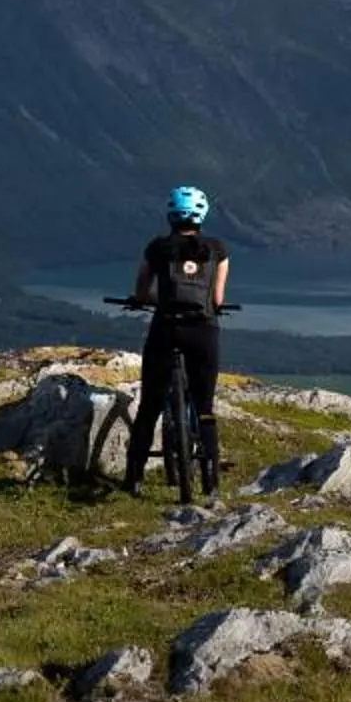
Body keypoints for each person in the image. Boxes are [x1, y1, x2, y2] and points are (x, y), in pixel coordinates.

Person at [122, 184, 230, 494]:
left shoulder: (156, 248)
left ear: (170, 214)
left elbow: (142, 292)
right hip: (203, 332)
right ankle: (210, 485)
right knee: (205, 407)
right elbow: (217, 299)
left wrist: (143, 299)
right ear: (202, 215)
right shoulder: (217, 250)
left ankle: (134, 479)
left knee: (150, 407)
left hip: (166, 328)